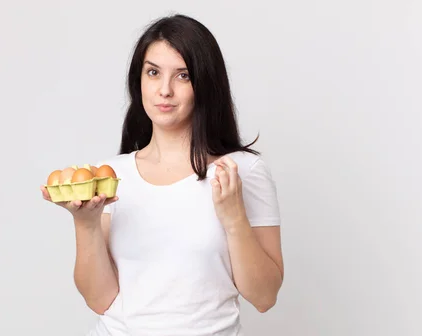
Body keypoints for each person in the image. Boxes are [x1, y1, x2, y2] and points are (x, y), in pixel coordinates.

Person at [41, 14, 284, 336]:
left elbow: (264, 297)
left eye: (183, 76)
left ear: (205, 84)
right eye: (153, 72)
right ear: (138, 80)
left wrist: (234, 218)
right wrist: (85, 223)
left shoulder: (241, 171)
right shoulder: (112, 176)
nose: (164, 90)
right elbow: (100, 300)